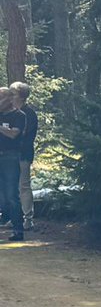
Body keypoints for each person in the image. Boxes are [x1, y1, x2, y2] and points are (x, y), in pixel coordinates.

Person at [0, 88, 27, 242]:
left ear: (9, 99)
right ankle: (5, 218)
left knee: (11, 194)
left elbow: (13, 134)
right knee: (2, 196)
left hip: (10, 157)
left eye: (1, 98)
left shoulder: (19, 115)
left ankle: (18, 230)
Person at [10, 82, 36, 230]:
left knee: (23, 185)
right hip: (8, 155)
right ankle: (15, 217)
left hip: (23, 154)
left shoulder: (29, 114)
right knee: (10, 187)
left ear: (21, 96)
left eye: (13, 94)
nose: (10, 97)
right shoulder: (9, 112)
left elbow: (23, 134)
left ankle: (28, 218)